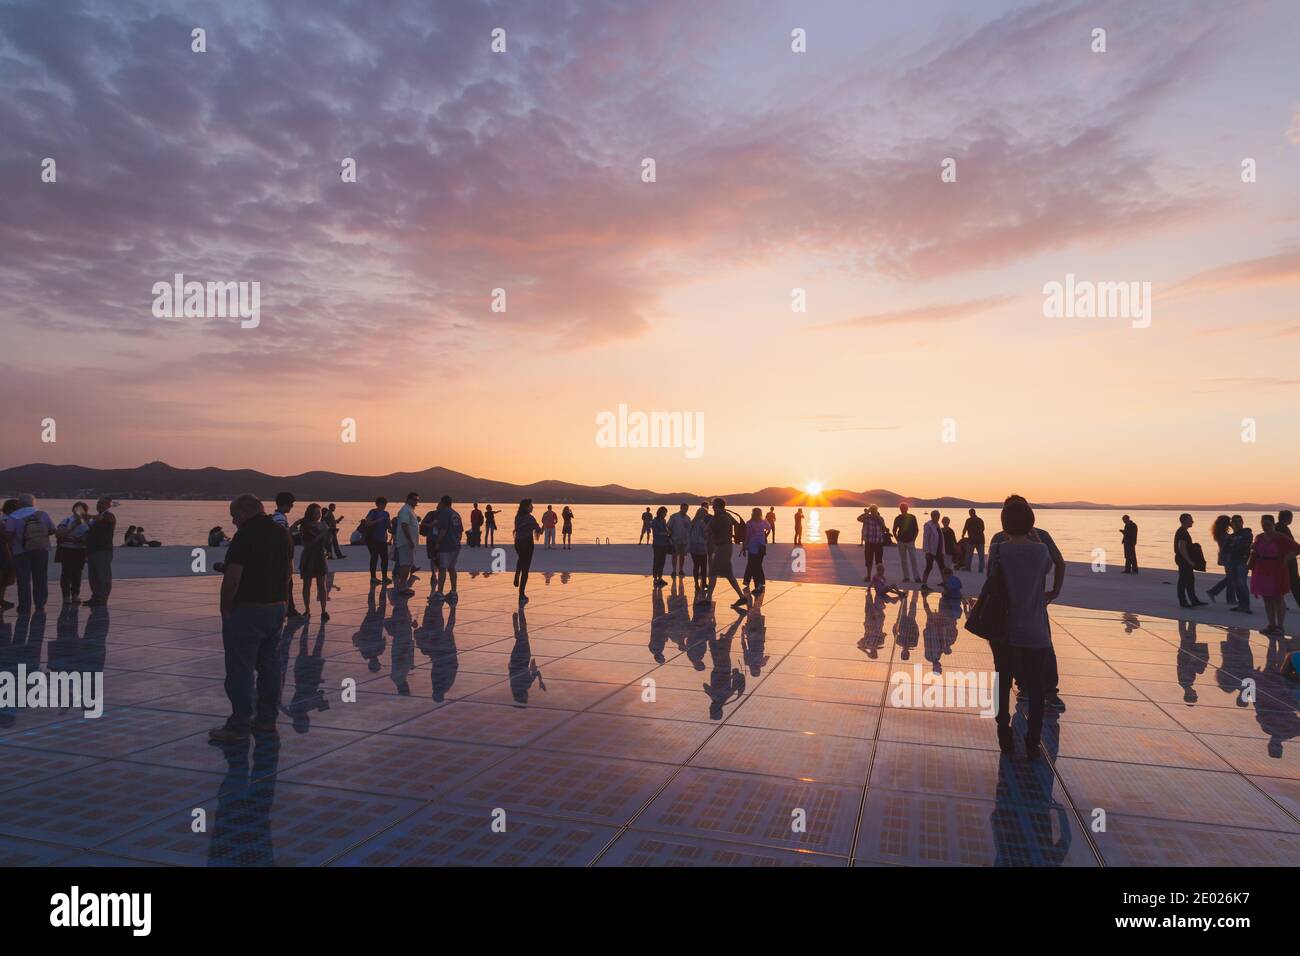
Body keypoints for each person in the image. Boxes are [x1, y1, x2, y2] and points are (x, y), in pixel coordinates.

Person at [209, 493, 293, 743]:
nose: (234, 522)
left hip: (248, 610)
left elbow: (233, 577)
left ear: (245, 512)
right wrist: (284, 603)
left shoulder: (245, 535)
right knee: (270, 666)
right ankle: (266, 720)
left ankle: (239, 725)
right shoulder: (282, 533)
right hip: (276, 607)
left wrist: (225, 609)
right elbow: (288, 572)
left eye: (234, 516)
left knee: (240, 669)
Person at [988, 495, 1060, 760]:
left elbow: (990, 580)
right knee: (1036, 686)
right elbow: (1048, 567)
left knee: (1003, 682)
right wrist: (1035, 536)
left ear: (1004, 523)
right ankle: (1032, 741)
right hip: (1035, 629)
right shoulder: (1040, 550)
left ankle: (1003, 735)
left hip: (1004, 629)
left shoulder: (997, 550)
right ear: (1031, 523)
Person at [2, 494, 56, 613]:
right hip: (41, 550)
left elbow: (8, 535)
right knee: (40, 578)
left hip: (21, 552)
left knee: (23, 579)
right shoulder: (43, 514)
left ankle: (24, 606)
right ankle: (40, 604)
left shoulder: (14, 516)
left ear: (20, 503)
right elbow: (52, 530)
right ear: (33, 503)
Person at [1251, 515, 1300, 636]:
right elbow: (1255, 550)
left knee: (1278, 598)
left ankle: (1280, 626)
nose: (1265, 527)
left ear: (1273, 524)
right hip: (1261, 570)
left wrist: (1286, 559)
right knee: (1267, 599)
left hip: (1276, 570)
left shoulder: (1280, 537)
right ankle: (1271, 624)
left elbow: (1297, 548)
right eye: (1263, 525)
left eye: (1268, 525)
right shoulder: (1259, 537)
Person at [703, 497, 748, 611]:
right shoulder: (728, 515)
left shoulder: (717, 517)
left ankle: (708, 599)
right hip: (728, 546)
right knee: (728, 574)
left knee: (713, 572)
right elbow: (736, 524)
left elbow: (706, 530)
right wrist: (731, 535)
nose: (712, 508)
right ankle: (742, 597)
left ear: (717, 507)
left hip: (722, 547)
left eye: (713, 506)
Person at [270, 492, 305, 620]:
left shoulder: (278, 517)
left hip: (281, 556)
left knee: (287, 585)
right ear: (285, 504)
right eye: (291, 505)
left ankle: (288, 610)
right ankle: (288, 611)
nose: (292, 507)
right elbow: (282, 536)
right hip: (282, 557)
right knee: (286, 585)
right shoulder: (279, 518)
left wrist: (295, 525)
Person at [297, 504, 330, 620]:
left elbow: (326, 542)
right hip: (308, 556)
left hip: (320, 555)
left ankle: (323, 610)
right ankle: (307, 609)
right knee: (307, 584)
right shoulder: (305, 526)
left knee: (322, 584)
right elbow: (306, 543)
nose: (319, 514)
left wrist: (327, 534)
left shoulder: (323, 525)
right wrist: (320, 535)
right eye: (316, 512)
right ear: (310, 513)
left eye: (319, 512)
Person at [55, 502, 91, 605]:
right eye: (76, 509)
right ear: (73, 510)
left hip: (80, 550)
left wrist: (82, 540)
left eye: (81, 510)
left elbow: (91, 538)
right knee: (66, 573)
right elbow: (59, 535)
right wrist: (73, 526)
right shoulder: (66, 520)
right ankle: (66, 596)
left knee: (77, 573)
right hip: (66, 550)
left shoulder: (88, 523)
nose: (78, 512)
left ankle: (75, 594)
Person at [83, 496, 115, 607]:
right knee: (93, 576)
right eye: (98, 503)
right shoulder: (96, 519)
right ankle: (96, 597)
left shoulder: (109, 516)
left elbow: (106, 520)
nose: (99, 505)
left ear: (108, 505)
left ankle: (102, 598)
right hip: (92, 551)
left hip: (103, 551)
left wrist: (91, 517)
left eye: (101, 503)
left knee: (103, 576)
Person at [432, 495, 463, 602]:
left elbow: (443, 530)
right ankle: (454, 592)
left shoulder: (444, 513)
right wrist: (457, 542)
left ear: (443, 503)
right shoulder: (456, 514)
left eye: (440, 502)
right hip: (456, 546)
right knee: (452, 568)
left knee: (442, 568)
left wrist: (438, 543)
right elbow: (460, 532)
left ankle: (440, 592)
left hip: (446, 545)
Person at [513, 499, 542, 604]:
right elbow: (539, 531)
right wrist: (543, 526)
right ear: (527, 507)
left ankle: (516, 573)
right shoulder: (530, 518)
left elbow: (517, 529)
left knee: (520, 558)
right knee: (525, 570)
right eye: (531, 505)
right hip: (527, 543)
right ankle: (521, 595)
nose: (532, 507)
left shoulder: (517, 517)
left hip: (518, 542)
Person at [1174, 513, 1206, 609]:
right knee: (1183, 580)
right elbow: (1181, 548)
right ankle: (1183, 602)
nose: (1192, 521)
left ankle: (1193, 600)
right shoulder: (1182, 532)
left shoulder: (1183, 531)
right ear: (1185, 521)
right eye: (1190, 520)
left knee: (1190, 580)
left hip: (1184, 560)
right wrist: (1189, 561)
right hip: (1183, 560)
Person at [392, 492, 421, 597]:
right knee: (405, 564)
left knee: (407, 564)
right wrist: (409, 540)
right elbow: (404, 525)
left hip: (409, 543)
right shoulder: (405, 510)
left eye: (417, 500)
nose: (415, 501)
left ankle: (403, 585)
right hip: (406, 543)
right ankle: (402, 587)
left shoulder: (410, 510)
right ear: (408, 499)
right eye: (414, 499)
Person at [1226, 514, 1253, 613]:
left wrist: (1233, 549)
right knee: (1236, 584)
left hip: (1241, 561)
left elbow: (1244, 546)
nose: (1237, 523)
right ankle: (1241, 605)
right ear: (1232, 524)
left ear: (1242, 522)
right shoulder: (1231, 536)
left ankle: (1246, 606)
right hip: (1232, 561)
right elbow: (1226, 548)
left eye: (1239, 521)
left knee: (1242, 583)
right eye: (1235, 522)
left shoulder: (1247, 534)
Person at [1206, 515, 1236, 605]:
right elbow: (1232, 539)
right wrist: (1233, 527)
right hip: (1227, 557)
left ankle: (1229, 598)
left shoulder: (1219, 533)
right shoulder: (1222, 534)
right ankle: (1214, 592)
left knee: (1230, 577)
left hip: (1225, 556)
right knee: (1231, 577)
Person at [364, 496, 392, 585]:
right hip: (373, 539)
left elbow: (389, 528)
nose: (384, 506)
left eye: (385, 504)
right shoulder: (373, 512)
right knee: (374, 558)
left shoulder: (386, 513)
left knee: (385, 558)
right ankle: (373, 577)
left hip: (383, 539)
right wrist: (379, 520)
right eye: (383, 504)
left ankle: (384, 576)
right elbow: (367, 523)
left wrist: (390, 525)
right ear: (378, 504)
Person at [920, 510, 949, 591]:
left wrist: (942, 550)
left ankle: (945, 582)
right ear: (932, 516)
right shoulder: (928, 525)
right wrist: (927, 551)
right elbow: (926, 538)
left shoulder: (937, 525)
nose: (937, 517)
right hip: (931, 550)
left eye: (938, 516)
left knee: (942, 566)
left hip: (938, 550)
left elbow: (940, 538)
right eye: (936, 516)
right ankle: (924, 584)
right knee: (929, 567)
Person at [742, 507, 768, 596]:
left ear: (752, 513)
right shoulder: (763, 522)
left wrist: (744, 547)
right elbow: (769, 527)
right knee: (758, 565)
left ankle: (756, 584)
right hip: (761, 547)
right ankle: (759, 583)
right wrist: (764, 535)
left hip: (752, 547)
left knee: (752, 565)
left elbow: (747, 536)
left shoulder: (749, 523)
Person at [858, 504, 887, 582]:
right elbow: (858, 518)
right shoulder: (866, 518)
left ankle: (879, 576)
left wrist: (878, 519)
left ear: (877, 510)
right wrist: (867, 512)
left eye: (875, 510)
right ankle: (868, 576)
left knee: (879, 561)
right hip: (869, 542)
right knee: (868, 560)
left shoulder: (880, 518)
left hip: (878, 543)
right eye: (872, 510)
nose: (874, 511)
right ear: (870, 511)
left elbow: (884, 529)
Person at [1278, 510, 1300, 609]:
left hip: (1282, 559)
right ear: (1289, 518)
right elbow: (1290, 544)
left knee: (1281, 582)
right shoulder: (1282, 529)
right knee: (1295, 583)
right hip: (1287, 560)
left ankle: (1280, 603)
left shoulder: (1277, 527)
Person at [892, 503, 919, 582]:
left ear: (907, 509)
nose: (903, 509)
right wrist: (897, 539)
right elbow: (894, 530)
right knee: (904, 560)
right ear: (900, 509)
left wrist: (914, 539)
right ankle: (906, 577)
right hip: (901, 541)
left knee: (913, 559)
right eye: (901, 508)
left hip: (910, 541)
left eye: (904, 508)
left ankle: (916, 577)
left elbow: (916, 529)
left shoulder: (912, 517)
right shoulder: (898, 518)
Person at [667, 503, 692, 580]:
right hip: (675, 539)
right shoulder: (674, 517)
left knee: (682, 556)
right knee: (674, 555)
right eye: (684, 508)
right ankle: (674, 570)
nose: (685, 510)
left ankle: (681, 570)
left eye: (686, 509)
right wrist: (670, 537)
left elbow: (690, 529)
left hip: (684, 541)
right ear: (681, 508)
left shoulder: (688, 518)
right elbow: (668, 526)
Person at [0, 499, 17, 610]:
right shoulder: (7, 520)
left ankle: (1, 598)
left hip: (8, 549)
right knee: (4, 575)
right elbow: (7, 536)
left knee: (5, 576)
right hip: (5, 550)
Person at [689, 504, 710, 590]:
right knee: (703, 566)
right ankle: (704, 583)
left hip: (693, 546)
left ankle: (696, 584)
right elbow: (705, 535)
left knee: (696, 566)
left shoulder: (692, 522)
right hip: (701, 546)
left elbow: (689, 533)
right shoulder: (703, 523)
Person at [650, 506, 671, 587]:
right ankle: (655, 579)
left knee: (662, 561)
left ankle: (660, 578)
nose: (665, 514)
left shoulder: (663, 521)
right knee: (656, 561)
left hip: (664, 544)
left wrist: (668, 532)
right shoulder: (654, 521)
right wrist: (665, 533)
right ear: (660, 512)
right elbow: (656, 533)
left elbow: (666, 530)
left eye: (666, 513)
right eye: (664, 513)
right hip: (657, 544)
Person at [961, 508, 986, 573]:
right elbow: (982, 529)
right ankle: (978, 569)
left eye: (970, 513)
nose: (970, 514)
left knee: (971, 555)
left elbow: (965, 529)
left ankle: (969, 568)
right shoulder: (978, 520)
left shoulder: (972, 520)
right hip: (977, 540)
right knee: (978, 556)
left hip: (975, 540)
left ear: (971, 513)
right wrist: (963, 535)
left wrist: (963, 535)